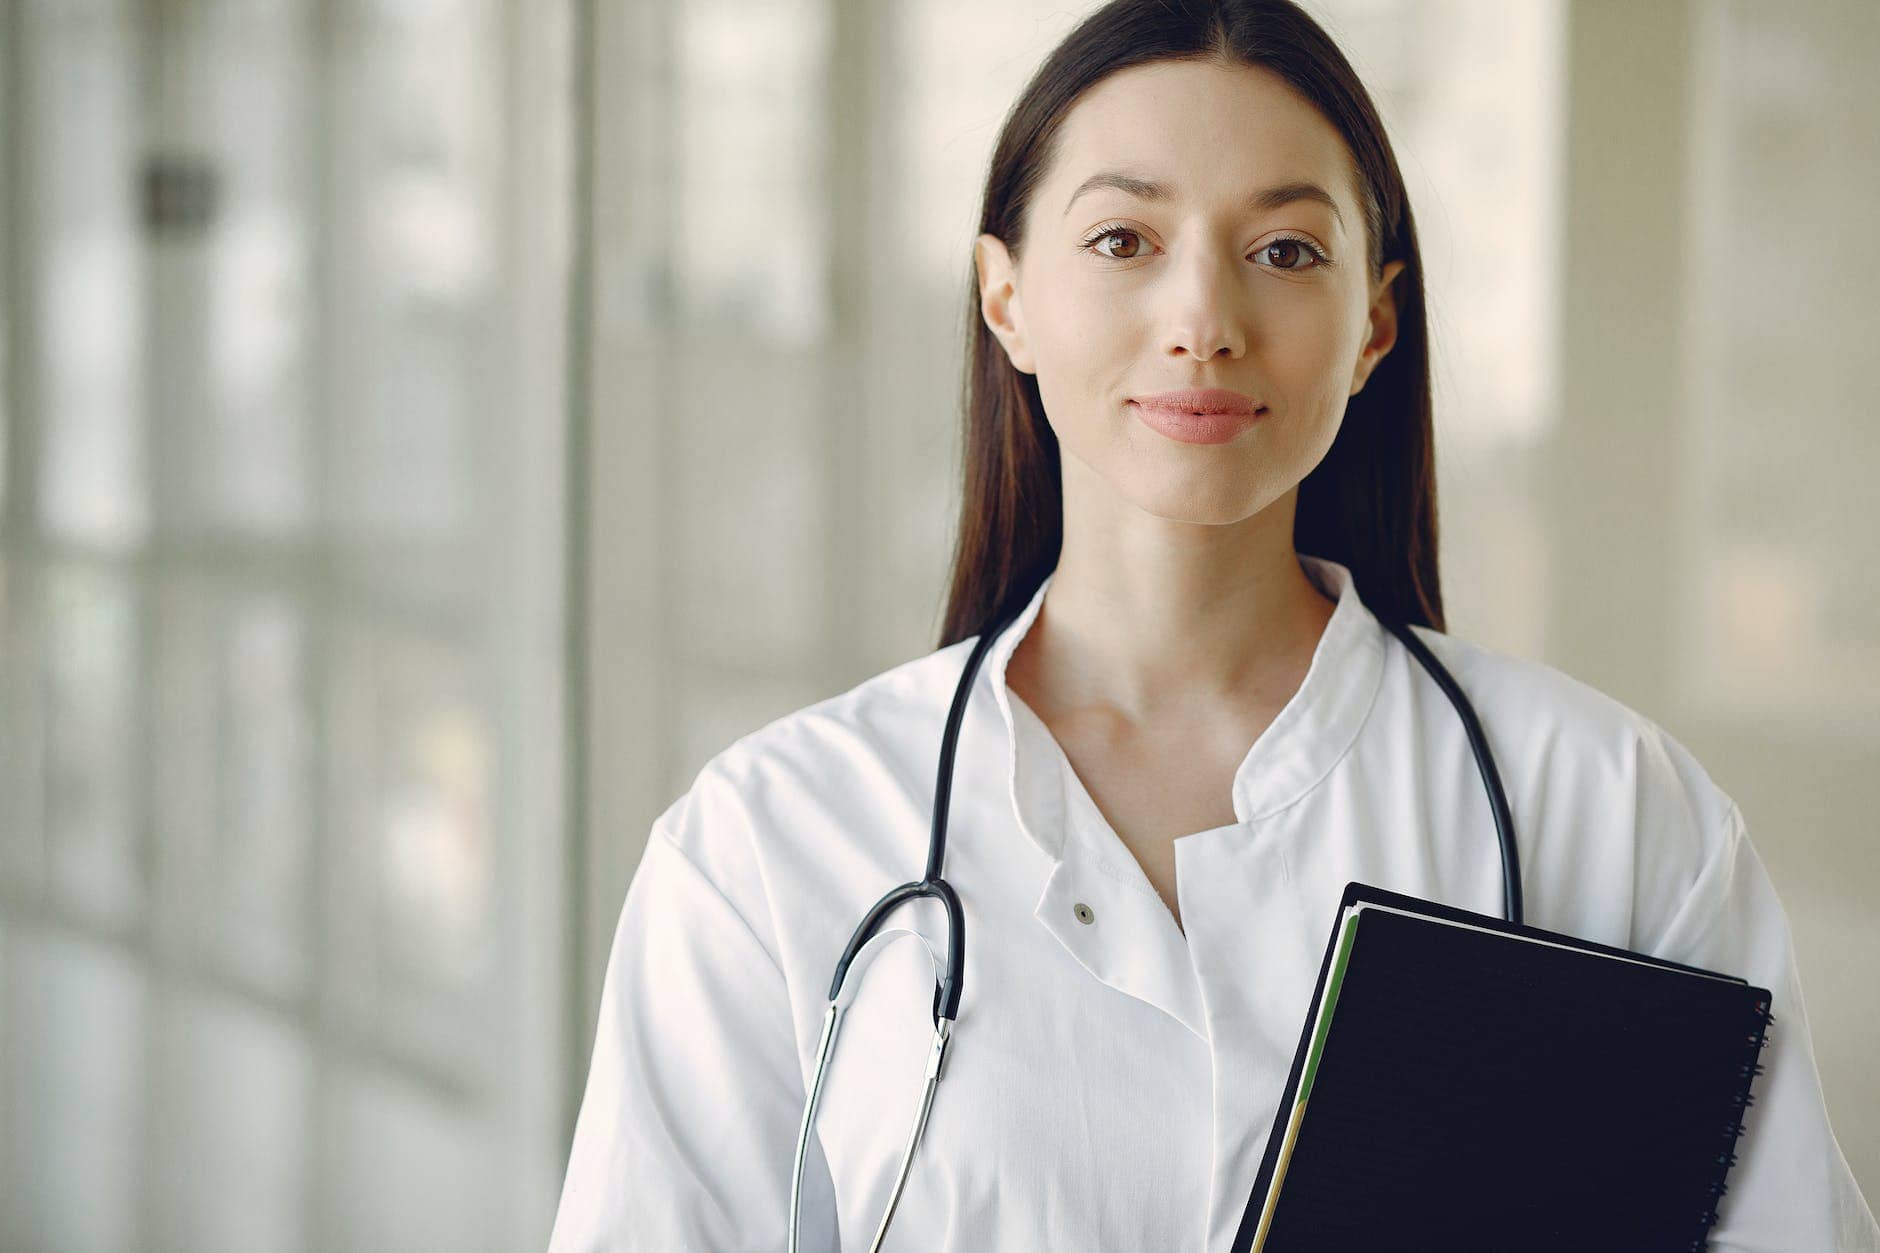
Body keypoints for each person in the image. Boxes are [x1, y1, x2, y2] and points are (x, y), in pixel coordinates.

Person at [546, 0, 1880, 1248]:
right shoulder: (772, 845)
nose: (1203, 320)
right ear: (1006, 298)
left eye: (1285, 251)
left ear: (1374, 324)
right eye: (1124, 241)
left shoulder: (1608, 811)